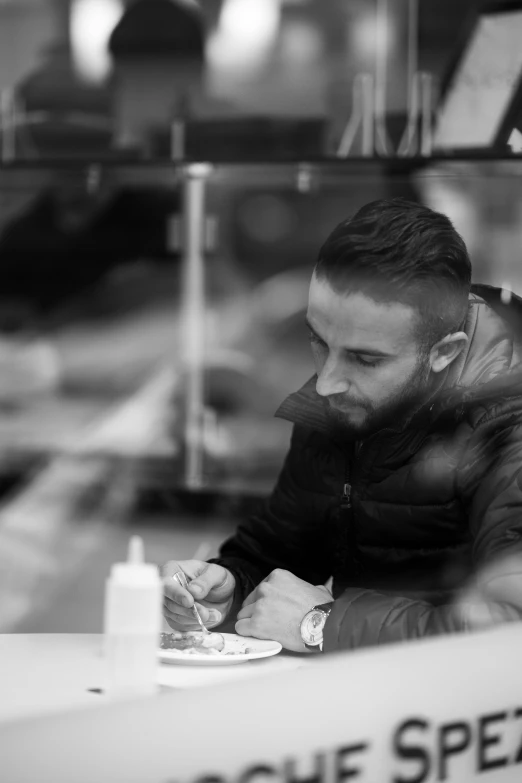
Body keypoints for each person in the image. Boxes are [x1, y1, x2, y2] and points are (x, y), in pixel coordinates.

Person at [162, 198, 522, 653]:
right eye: (318, 339)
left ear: (444, 353)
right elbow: (280, 551)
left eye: (365, 358)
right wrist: (227, 588)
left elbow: (510, 632)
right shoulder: (345, 401)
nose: (328, 381)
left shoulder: (511, 430)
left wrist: (320, 624)